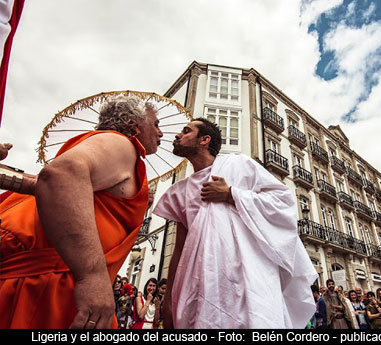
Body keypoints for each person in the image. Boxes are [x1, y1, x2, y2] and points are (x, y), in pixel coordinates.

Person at [0, 95, 162, 328]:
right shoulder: (121, 143)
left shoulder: (116, 156)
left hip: (46, 282)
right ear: (134, 126)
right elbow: (63, 174)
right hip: (46, 285)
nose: (161, 133)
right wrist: (93, 277)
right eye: (155, 124)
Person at [153, 119, 317, 329]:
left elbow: (282, 201)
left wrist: (231, 194)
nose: (177, 135)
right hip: (202, 285)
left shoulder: (238, 164)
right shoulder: (179, 192)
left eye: (186, 131)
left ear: (204, 140)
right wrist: (169, 302)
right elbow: (180, 251)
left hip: (247, 281)